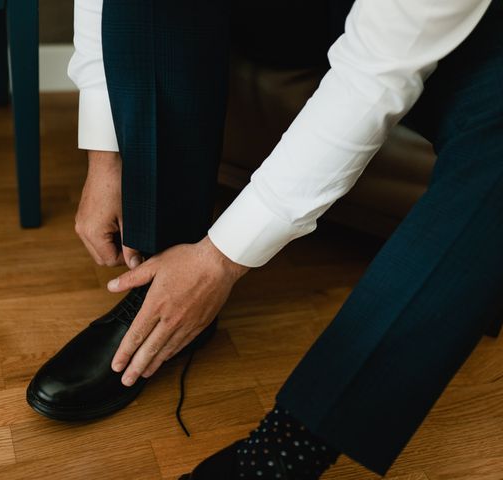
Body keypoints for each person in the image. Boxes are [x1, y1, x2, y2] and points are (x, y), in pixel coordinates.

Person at [26, 0, 503, 478]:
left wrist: (222, 259)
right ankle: (159, 288)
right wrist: (105, 156)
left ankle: (286, 451)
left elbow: (371, 76)